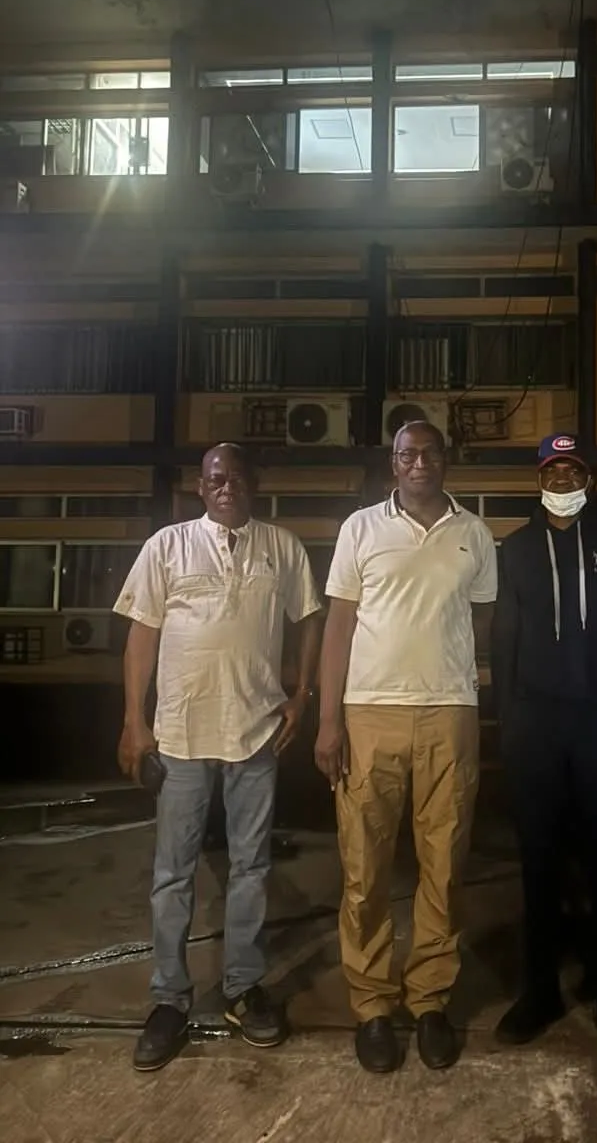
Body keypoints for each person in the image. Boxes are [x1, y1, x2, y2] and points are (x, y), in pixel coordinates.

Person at [115, 443, 323, 1072]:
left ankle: (242, 989)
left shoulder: (282, 547)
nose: (225, 486)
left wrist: (302, 696)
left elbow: (309, 617)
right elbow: (141, 635)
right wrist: (134, 720)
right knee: (172, 874)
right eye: (214, 479)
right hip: (180, 734)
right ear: (200, 489)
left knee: (250, 867)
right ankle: (169, 1000)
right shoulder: (168, 546)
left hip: (256, 732)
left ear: (253, 483)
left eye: (235, 477)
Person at [316, 421, 497, 1073]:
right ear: (392, 463)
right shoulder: (360, 528)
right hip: (369, 713)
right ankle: (372, 1005)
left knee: (443, 863)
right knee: (364, 867)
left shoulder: (475, 534)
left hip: (450, 712)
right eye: (406, 454)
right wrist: (328, 720)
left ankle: (429, 1000)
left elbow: (480, 621)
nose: (419, 462)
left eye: (429, 452)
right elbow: (338, 627)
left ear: (445, 460)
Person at [490, 433, 597, 1060]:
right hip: (535, 726)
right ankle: (540, 991)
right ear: (538, 479)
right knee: (538, 861)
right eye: (552, 471)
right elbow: (503, 642)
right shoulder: (515, 548)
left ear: (590, 478)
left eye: (573, 471)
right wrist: (508, 725)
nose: (562, 481)